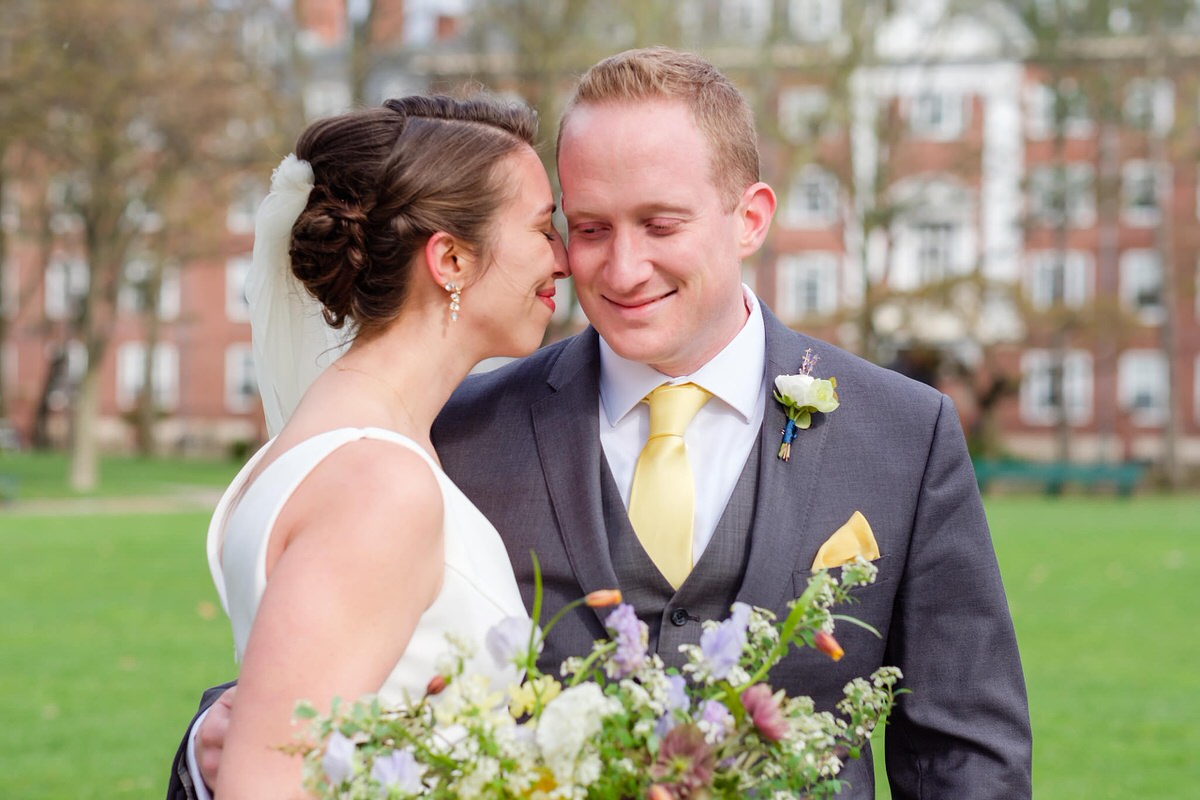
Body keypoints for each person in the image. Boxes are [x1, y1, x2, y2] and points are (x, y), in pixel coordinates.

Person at [171, 48, 1032, 799]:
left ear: (752, 217)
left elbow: (966, 756)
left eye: (660, 224)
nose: (621, 268)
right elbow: (319, 677)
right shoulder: (451, 439)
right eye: (583, 229)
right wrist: (212, 748)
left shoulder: (903, 435)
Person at [172, 94, 569, 799]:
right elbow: (266, 784)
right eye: (544, 229)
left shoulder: (337, 441)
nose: (564, 260)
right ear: (449, 257)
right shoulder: (377, 485)